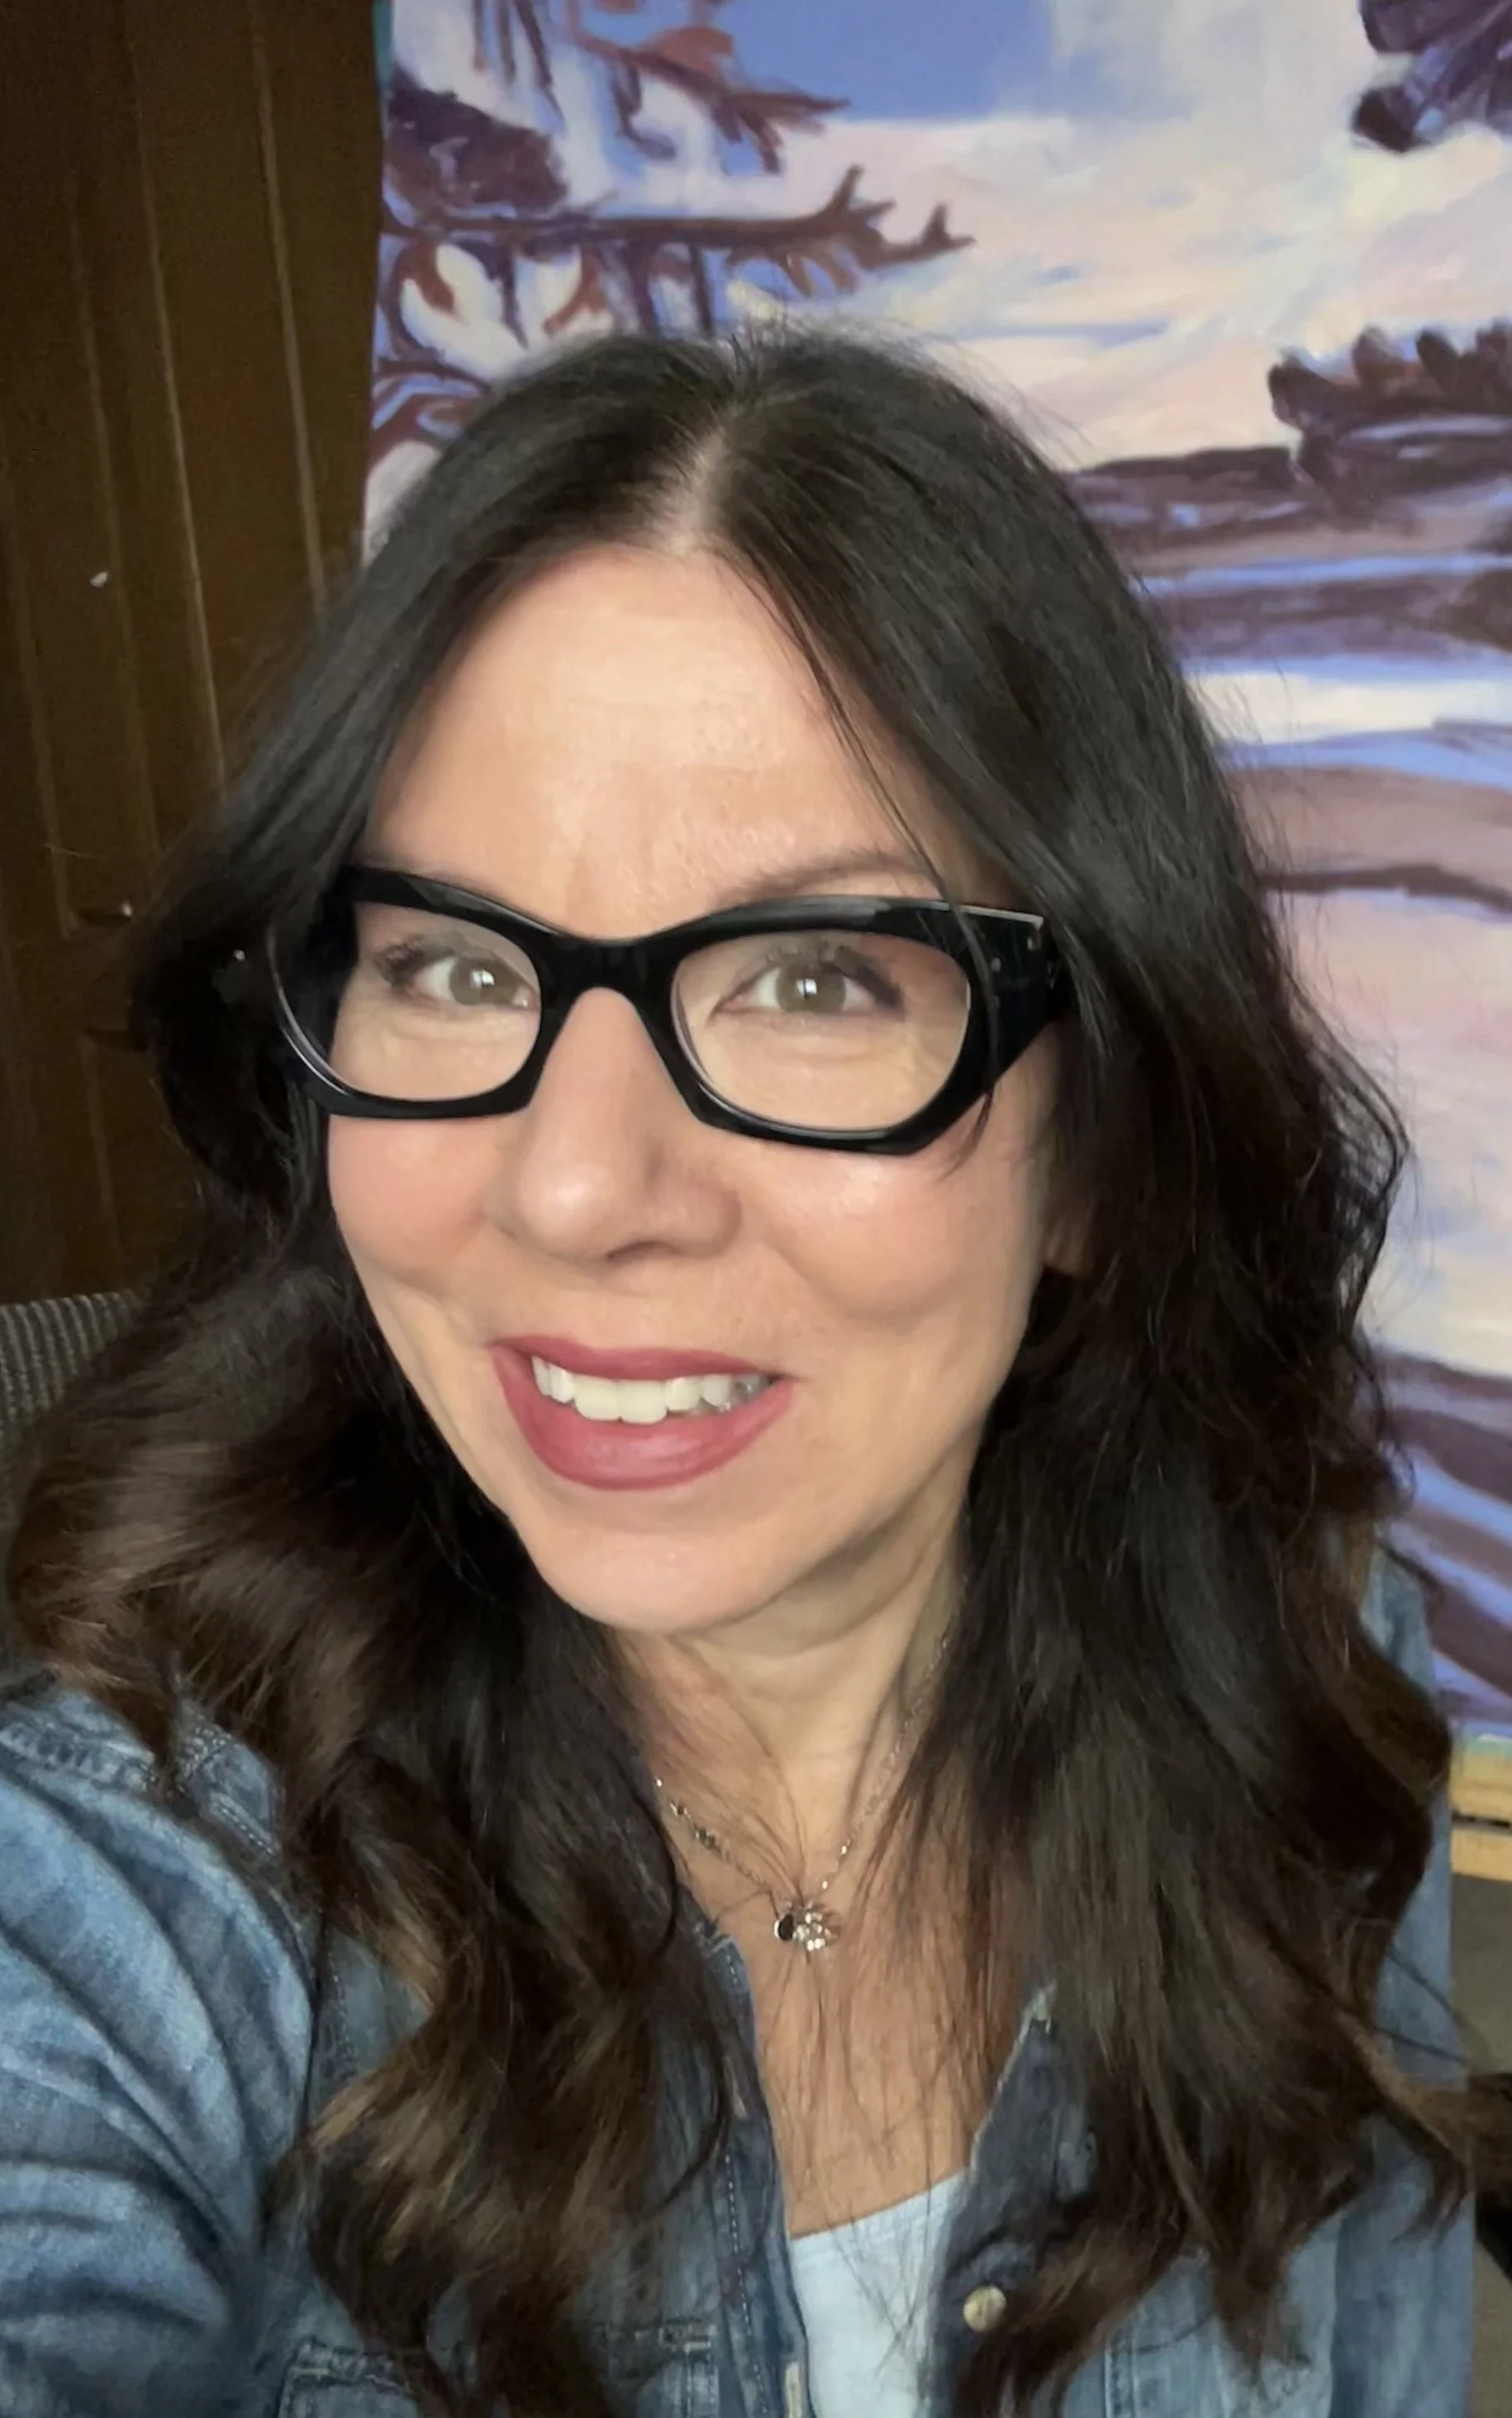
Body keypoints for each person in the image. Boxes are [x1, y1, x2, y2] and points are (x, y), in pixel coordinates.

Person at [0, 325, 1497, 2418]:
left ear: (1100, 1144)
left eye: (814, 978)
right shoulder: (129, 1890)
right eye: (448, 961)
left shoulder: (1305, 1679)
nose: (584, 1183)